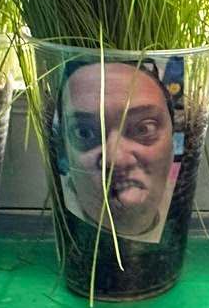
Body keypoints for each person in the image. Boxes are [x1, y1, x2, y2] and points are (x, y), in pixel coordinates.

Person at [55, 60, 176, 243]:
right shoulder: (70, 220)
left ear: (174, 140)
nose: (116, 158)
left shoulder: (176, 207)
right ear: (62, 150)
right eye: (84, 133)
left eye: (144, 129)